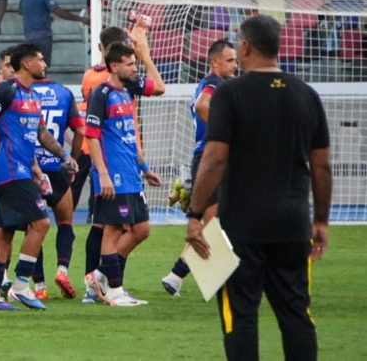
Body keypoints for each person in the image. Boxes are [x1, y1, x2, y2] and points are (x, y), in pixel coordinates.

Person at [184, 16, 330, 361]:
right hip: (293, 224)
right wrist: (321, 220)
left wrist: (194, 214)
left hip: (241, 226)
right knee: (296, 314)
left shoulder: (230, 94)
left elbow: (215, 159)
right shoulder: (306, 94)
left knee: (241, 317)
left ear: (246, 47)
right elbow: (321, 166)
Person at [0, 42, 78, 311]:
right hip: (9, 170)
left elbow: (40, 134)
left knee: (3, 233)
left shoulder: (32, 96)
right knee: (41, 224)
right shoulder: (6, 90)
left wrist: (64, 156)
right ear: (27, 63)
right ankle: (20, 286)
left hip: (22, 170)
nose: (45, 65)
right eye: (40, 60)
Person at [84, 32, 166, 307]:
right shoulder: (101, 94)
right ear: (115, 66)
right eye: (130, 64)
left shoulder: (128, 89)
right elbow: (92, 136)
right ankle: (115, 291)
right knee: (112, 231)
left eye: (135, 63)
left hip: (131, 171)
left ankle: (99, 276)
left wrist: (144, 166)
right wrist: (103, 174)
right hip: (113, 174)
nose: (135, 68)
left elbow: (160, 87)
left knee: (141, 229)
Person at [162, 38, 238, 296]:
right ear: (215, 62)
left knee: (217, 222)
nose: (235, 65)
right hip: (211, 156)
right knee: (213, 223)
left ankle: (178, 276)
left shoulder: (211, 84)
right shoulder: (214, 83)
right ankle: (178, 274)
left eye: (236, 59)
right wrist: (226, 132)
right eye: (230, 60)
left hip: (206, 156)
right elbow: (202, 106)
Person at [30, 72, 85, 299]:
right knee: (65, 222)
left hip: (32, 169)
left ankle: (40, 286)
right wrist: (71, 160)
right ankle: (62, 270)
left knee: (34, 229)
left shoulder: (23, 92)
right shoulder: (64, 92)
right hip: (58, 168)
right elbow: (80, 131)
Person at [19, 0, 86, 67]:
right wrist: (81, 19)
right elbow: (59, 12)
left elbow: (20, 10)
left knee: (31, 67)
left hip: (28, 36)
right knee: (42, 67)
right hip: (42, 37)